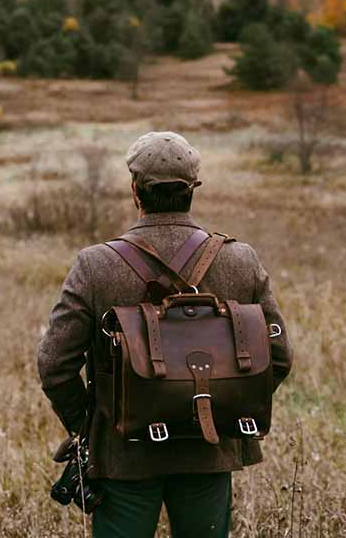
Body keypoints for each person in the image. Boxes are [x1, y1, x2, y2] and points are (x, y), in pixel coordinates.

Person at [37, 131, 293, 538]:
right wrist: (223, 404)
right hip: (209, 448)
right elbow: (278, 357)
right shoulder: (240, 260)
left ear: (135, 191)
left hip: (123, 454)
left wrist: (90, 425)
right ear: (193, 189)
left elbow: (54, 366)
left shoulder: (95, 265)